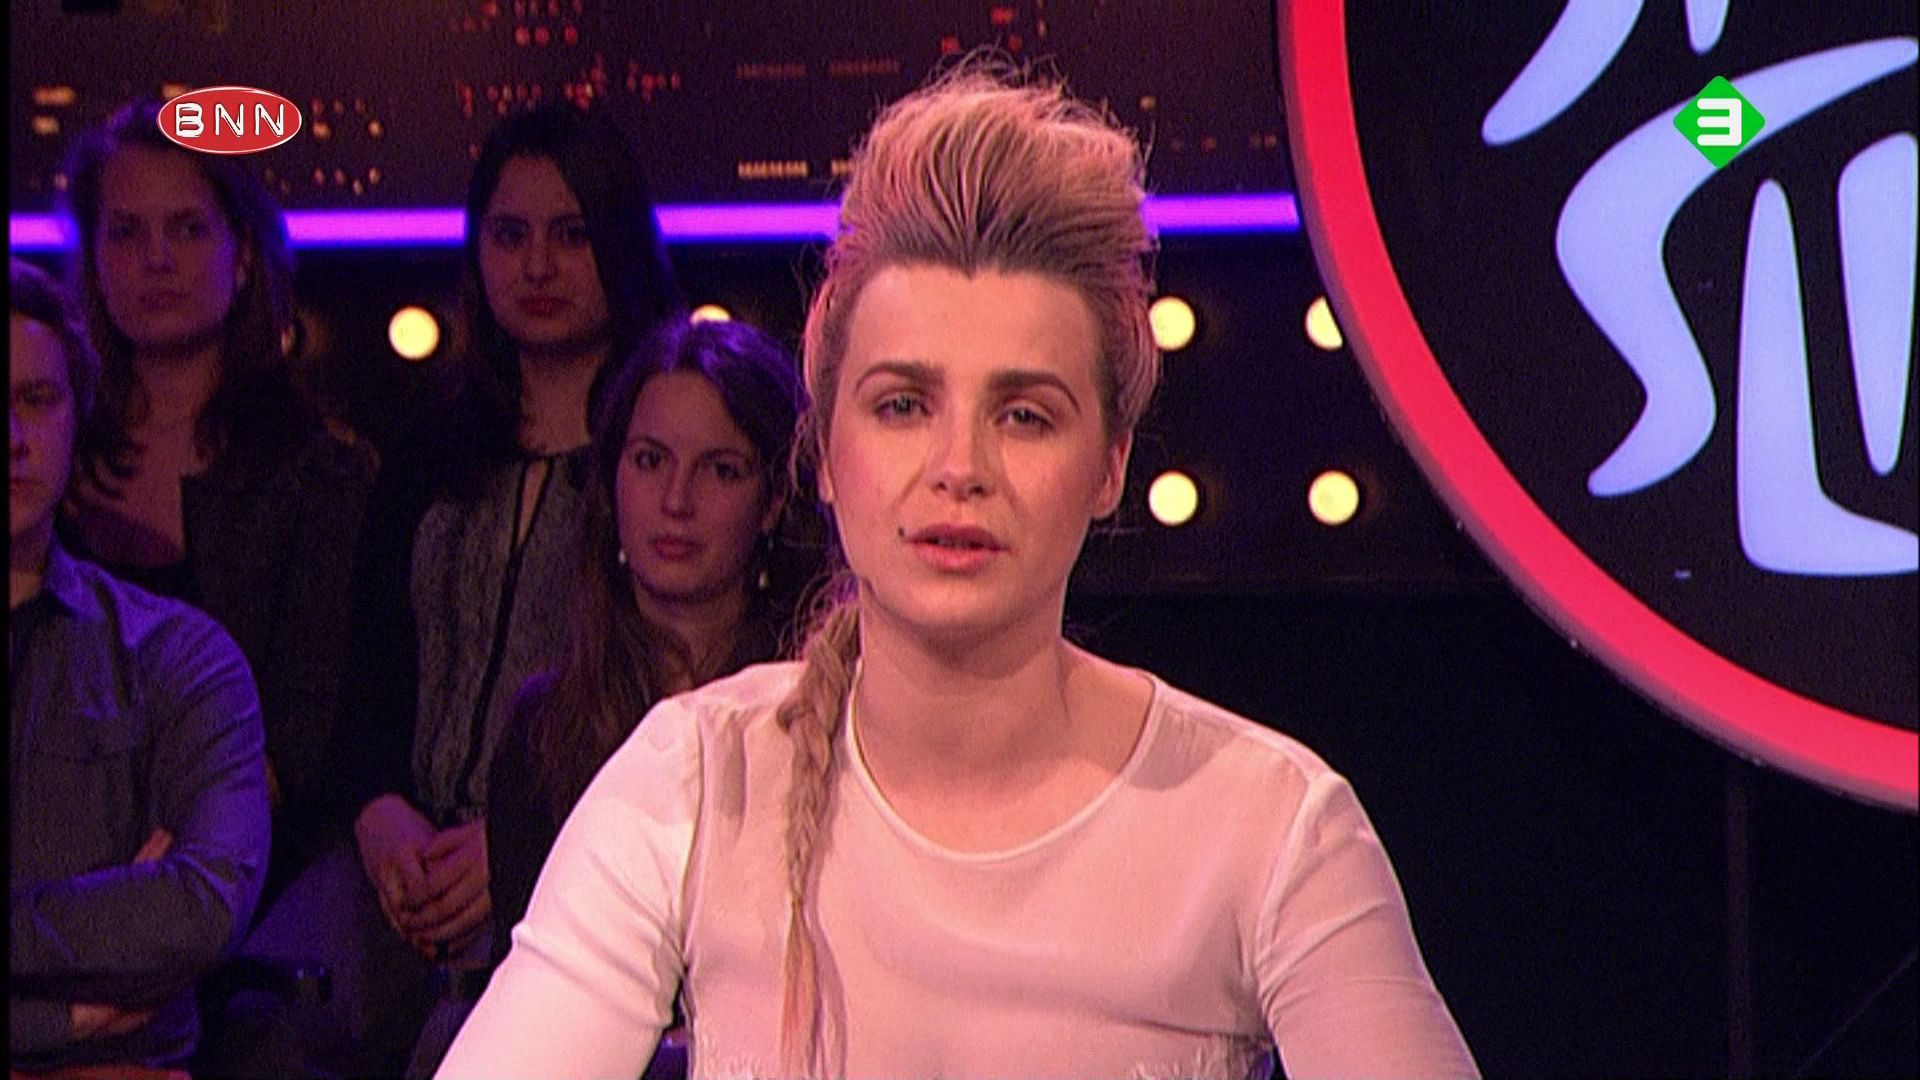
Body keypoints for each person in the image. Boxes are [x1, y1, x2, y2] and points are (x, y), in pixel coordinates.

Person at [438, 61, 1478, 1080]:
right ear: (826, 452)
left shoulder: (1271, 825)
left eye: (1024, 415)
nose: (959, 467)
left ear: (1111, 464)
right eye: (902, 406)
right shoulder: (697, 781)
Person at [237, 100, 683, 1078]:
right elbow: (367, 678)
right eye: (510, 236)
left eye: (571, 235)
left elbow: (673, 694)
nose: (537, 266)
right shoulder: (428, 451)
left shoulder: (661, 463)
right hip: (403, 866)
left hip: (590, 868)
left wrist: (516, 841)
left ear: (619, 244)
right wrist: (380, 813)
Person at [405, 317, 814, 1076]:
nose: (677, 500)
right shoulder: (545, 726)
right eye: (650, 460)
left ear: (772, 503)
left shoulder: (819, 716)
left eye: (721, 470)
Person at [57, 97, 377, 904]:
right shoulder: (45, 457)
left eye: (188, 229)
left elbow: (304, 737)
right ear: (92, 259)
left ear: (241, 257)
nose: (155, 258)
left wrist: (180, 847)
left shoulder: (320, 473)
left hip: (251, 881)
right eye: (125, 232)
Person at [10, 257, 272, 1077]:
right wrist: (59, 1019)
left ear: (76, 415)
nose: (11, 438)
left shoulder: (178, 658)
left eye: (36, 399)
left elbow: (203, 905)